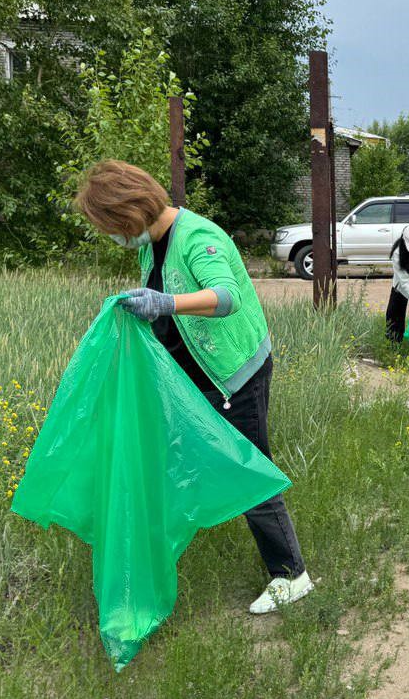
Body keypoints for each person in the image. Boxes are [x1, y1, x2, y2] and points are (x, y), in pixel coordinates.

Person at [73, 160, 312, 614]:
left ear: (130, 214)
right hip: (190, 378)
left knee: (249, 471)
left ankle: (291, 574)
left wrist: (166, 302)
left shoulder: (198, 238)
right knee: (172, 464)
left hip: (232, 377)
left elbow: (225, 297)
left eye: (111, 228)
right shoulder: (154, 246)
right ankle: (154, 560)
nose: (113, 238)